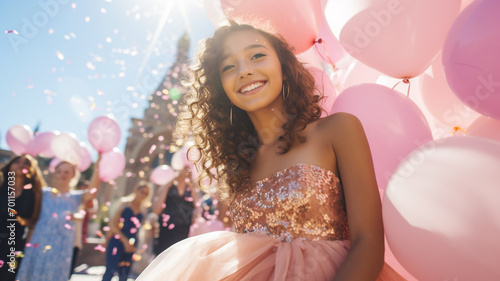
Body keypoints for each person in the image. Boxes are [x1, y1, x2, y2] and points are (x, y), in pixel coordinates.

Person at [137, 21, 404, 280]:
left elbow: (368, 243)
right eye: (229, 66)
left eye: (256, 55)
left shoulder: (338, 130)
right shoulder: (238, 163)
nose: (244, 71)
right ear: (222, 89)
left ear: (284, 66)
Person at [17, 158, 101, 281]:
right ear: (55, 174)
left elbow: (93, 190)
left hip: (62, 246)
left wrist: (99, 162)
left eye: (66, 172)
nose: (62, 175)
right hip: (40, 241)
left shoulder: (77, 197)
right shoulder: (44, 193)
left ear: (73, 175)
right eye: (59, 171)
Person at [0, 154, 46, 281]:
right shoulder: (1, 185)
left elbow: (33, 221)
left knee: (7, 276)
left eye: (26, 162)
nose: (21, 164)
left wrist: (26, 247)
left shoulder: (33, 194)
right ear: (9, 166)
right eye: (17, 161)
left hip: (14, 243)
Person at [102, 181, 150, 281]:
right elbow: (113, 224)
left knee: (124, 274)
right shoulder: (124, 204)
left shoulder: (143, 209)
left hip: (132, 243)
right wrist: (124, 241)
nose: (143, 195)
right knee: (110, 271)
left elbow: (142, 228)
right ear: (136, 190)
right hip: (117, 240)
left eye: (146, 193)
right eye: (141, 191)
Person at [152, 166, 199, 256]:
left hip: (184, 230)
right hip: (166, 231)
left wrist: (192, 183)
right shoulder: (168, 187)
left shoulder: (191, 189)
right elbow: (156, 209)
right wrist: (171, 181)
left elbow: (198, 204)